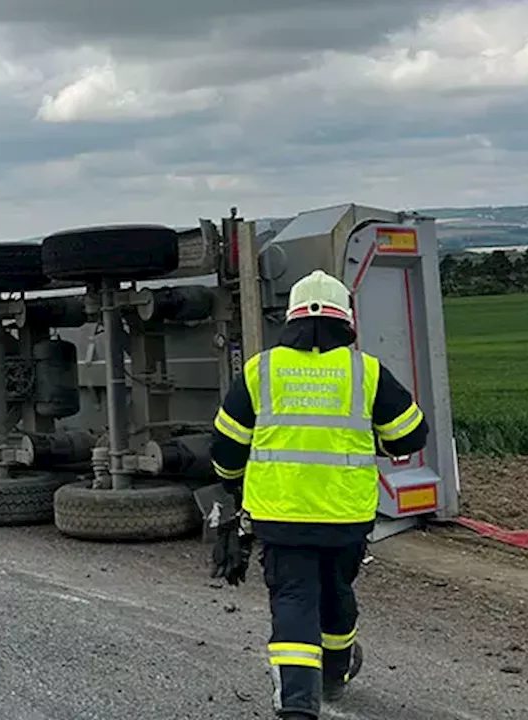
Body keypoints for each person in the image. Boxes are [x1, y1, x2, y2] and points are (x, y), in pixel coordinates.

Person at [209, 270, 430, 720]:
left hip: (280, 516)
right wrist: (376, 442)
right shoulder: (364, 371)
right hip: (346, 517)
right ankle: (334, 673)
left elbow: (226, 446)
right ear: (345, 318)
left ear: (290, 316)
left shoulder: (262, 369)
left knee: (293, 601)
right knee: (337, 593)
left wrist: (231, 483)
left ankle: (297, 707)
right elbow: (411, 435)